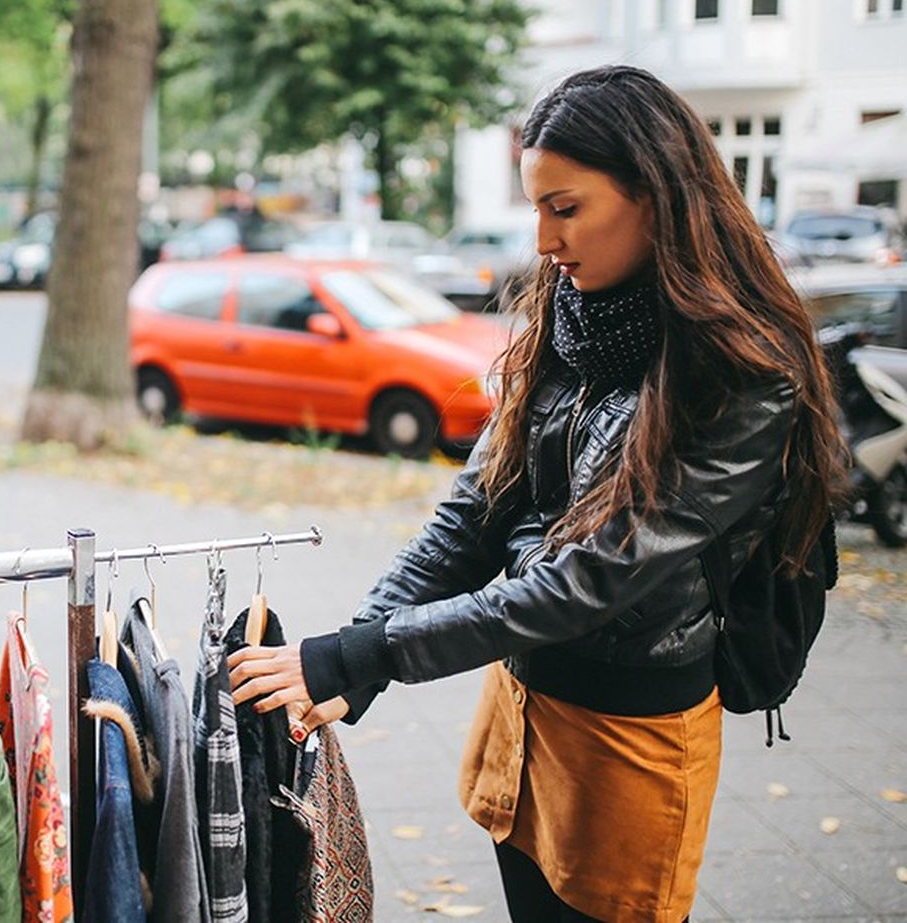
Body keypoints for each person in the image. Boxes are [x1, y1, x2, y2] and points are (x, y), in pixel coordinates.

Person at [227, 65, 847, 923]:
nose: (546, 241)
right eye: (536, 210)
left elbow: (590, 580)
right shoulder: (573, 310)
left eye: (567, 208)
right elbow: (475, 510)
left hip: (631, 736)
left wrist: (365, 654)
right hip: (521, 703)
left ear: (656, 195)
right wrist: (362, 648)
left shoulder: (740, 371)